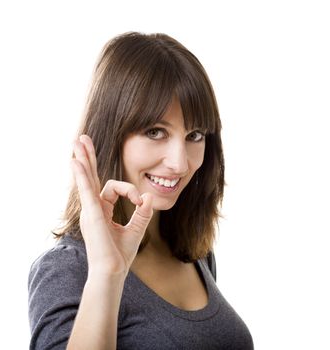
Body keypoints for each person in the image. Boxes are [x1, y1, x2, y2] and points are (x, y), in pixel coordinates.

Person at [28, 31, 254, 349]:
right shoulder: (68, 270)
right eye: (155, 131)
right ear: (111, 133)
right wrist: (107, 273)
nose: (179, 163)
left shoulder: (195, 253)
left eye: (195, 135)